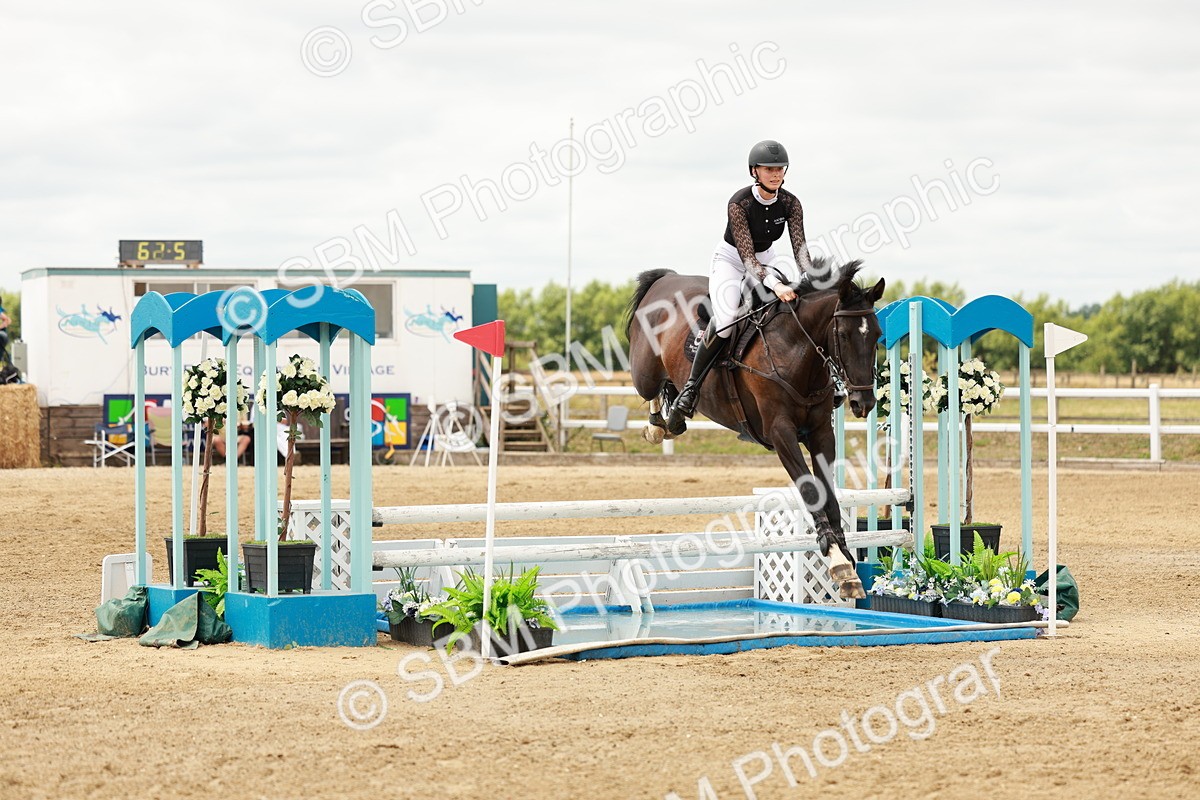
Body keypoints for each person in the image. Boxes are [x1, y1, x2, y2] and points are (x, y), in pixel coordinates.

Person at [666, 139, 816, 435]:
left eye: (779, 168)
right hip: (732, 261)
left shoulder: (791, 203)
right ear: (754, 171)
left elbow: (800, 249)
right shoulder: (739, 203)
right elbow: (747, 258)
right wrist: (775, 284)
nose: (775, 173)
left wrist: (814, 280)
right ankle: (690, 391)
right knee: (725, 321)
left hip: (767, 259)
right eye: (768, 168)